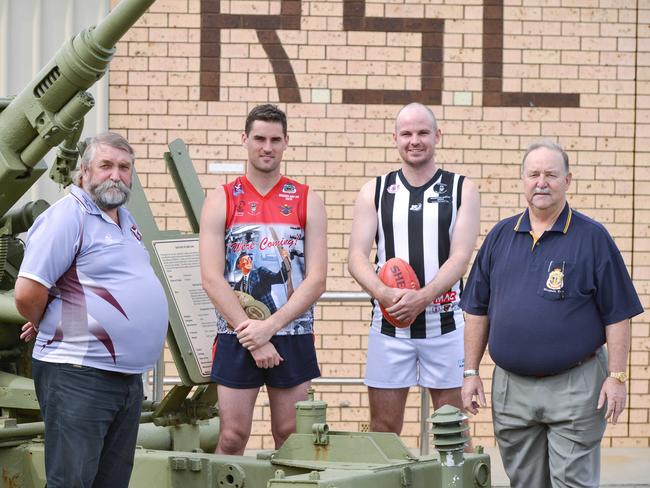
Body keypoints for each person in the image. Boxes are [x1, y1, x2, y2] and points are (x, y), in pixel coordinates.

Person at [460, 140, 643, 488]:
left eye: (550, 174)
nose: (541, 182)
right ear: (522, 181)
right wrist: (470, 371)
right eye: (533, 174)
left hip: (576, 387)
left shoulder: (593, 238)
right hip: (512, 389)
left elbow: (618, 314)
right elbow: (477, 310)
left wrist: (617, 378)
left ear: (568, 181)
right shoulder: (501, 236)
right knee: (525, 482)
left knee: (572, 482)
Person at [15, 132, 169, 488]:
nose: (116, 175)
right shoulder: (67, 216)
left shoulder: (126, 220)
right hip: (79, 375)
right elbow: (27, 292)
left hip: (126, 380)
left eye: (124, 167)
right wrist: (49, 322)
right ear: (84, 172)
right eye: (106, 166)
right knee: (72, 482)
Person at [200, 104, 327, 454]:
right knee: (232, 436)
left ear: (286, 142)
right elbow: (211, 278)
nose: (266, 147)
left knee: (289, 436)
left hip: (292, 333)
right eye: (259, 138)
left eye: (275, 139)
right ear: (245, 139)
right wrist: (253, 335)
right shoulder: (221, 199)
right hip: (237, 333)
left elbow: (316, 279)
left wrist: (269, 328)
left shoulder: (306, 200)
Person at [347, 102, 480, 434]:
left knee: (453, 429)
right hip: (390, 328)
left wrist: (422, 297)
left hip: (446, 326)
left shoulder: (461, 188)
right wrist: (384, 293)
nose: (415, 140)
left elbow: (460, 258)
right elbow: (355, 257)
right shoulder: (374, 191)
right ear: (395, 138)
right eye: (406, 133)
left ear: (437, 136)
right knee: (384, 427)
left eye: (423, 132)